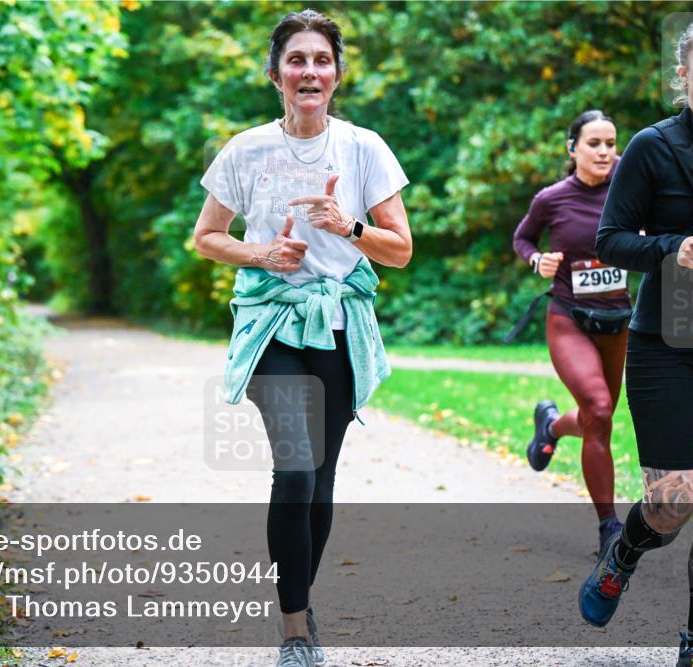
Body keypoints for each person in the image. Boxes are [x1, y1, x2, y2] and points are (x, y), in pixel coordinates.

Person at [193, 9, 412, 667]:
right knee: (294, 468)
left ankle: (299, 596)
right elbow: (207, 237)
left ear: (337, 74)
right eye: (297, 60)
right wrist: (261, 254)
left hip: (340, 325)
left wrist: (348, 228)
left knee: (319, 480)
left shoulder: (364, 147)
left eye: (321, 60)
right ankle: (293, 631)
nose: (309, 70)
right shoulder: (245, 148)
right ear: (275, 74)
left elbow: (400, 249)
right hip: (270, 325)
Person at [581, 16, 693, 666]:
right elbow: (609, 239)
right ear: (683, 73)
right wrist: (672, 247)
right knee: (671, 502)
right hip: (664, 344)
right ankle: (625, 552)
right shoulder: (651, 145)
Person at [512, 110, 631, 553]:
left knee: (598, 420)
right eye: (594, 144)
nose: (604, 152)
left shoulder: (633, 186)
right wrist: (535, 260)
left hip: (617, 319)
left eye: (610, 143)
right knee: (599, 408)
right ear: (572, 149)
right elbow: (523, 239)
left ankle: (552, 427)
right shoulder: (553, 198)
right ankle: (610, 528)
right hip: (569, 317)